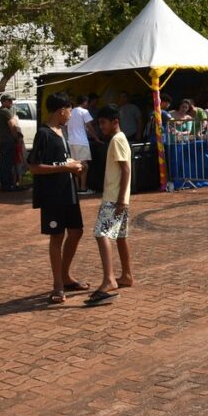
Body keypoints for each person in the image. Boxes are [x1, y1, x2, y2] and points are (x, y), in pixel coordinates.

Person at [28, 92, 88, 304]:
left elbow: (59, 161)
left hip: (68, 191)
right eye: (69, 110)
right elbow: (34, 167)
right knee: (57, 237)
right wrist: (66, 167)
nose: (71, 115)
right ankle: (57, 285)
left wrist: (73, 165)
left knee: (76, 231)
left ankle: (66, 275)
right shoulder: (43, 134)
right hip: (53, 195)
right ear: (61, 110)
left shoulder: (60, 132)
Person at [85, 104, 134, 306]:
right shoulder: (118, 139)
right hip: (119, 196)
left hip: (114, 198)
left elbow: (126, 170)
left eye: (103, 123)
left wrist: (121, 198)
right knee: (120, 236)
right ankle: (127, 275)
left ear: (115, 122)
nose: (101, 127)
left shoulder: (116, 140)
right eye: (99, 123)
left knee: (101, 233)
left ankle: (109, 279)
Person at [67, 95, 99, 194]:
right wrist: (96, 138)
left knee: (75, 164)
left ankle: (76, 187)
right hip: (81, 141)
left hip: (71, 141)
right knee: (85, 165)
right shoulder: (84, 112)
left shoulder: (70, 111)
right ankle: (83, 187)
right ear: (85, 102)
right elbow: (90, 126)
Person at [0, 93, 22, 191]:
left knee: (4, 163)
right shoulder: (5, 111)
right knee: (9, 164)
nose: (11, 103)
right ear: (4, 102)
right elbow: (12, 126)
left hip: (2, 140)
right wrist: (16, 137)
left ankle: (5, 185)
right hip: (8, 141)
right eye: (9, 101)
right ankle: (9, 185)